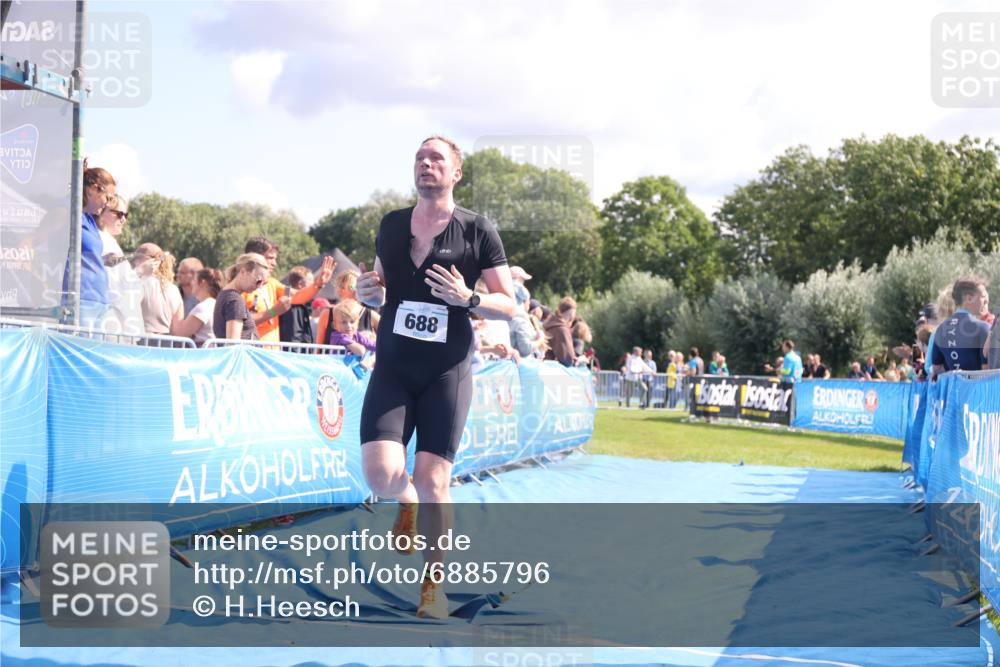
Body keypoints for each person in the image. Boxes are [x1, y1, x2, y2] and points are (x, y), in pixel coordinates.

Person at [354, 136, 516, 619]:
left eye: (436, 159)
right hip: (394, 365)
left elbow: (509, 302)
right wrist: (366, 292)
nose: (426, 165)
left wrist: (467, 298)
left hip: (447, 368)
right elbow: (379, 290)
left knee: (433, 480)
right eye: (420, 159)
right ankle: (402, 502)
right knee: (381, 476)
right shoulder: (391, 224)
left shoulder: (477, 230)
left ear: (456, 173)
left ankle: (433, 589)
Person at [242, 237, 334, 343]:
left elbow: (298, 296)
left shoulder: (272, 283)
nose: (274, 263)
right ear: (254, 258)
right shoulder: (240, 287)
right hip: (251, 354)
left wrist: (318, 284)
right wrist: (273, 312)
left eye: (275, 259)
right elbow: (240, 322)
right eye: (270, 258)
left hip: (271, 355)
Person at [70, 165, 115, 327]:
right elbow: (31, 242)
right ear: (93, 189)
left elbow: (84, 255)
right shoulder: (69, 214)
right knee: (77, 350)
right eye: (108, 198)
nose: (109, 204)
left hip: (98, 299)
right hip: (80, 298)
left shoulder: (89, 219)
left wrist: (102, 261)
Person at [97, 195, 144, 336]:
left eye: (125, 215)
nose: (123, 219)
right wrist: (141, 271)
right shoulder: (102, 240)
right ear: (102, 212)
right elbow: (115, 284)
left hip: (116, 322)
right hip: (110, 321)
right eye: (118, 214)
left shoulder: (110, 241)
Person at [930, 278, 990, 377]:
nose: (986, 301)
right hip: (977, 390)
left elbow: (936, 369)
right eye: (983, 297)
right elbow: (987, 371)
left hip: (954, 391)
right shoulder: (984, 328)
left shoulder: (940, 329)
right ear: (969, 299)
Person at [214, 253, 270, 340]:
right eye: (259, 281)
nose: (259, 286)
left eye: (263, 283)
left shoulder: (226, 294)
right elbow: (233, 342)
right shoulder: (234, 300)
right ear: (243, 272)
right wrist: (274, 311)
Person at [132, 243, 183, 336]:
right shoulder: (174, 289)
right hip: (165, 344)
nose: (134, 262)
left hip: (140, 341)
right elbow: (177, 330)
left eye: (136, 258)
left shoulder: (140, 283)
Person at [172, 268, 223, 346]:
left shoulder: (203, 308)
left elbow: (181, 334)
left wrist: (177, 305)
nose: (192, 283)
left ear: (202, 283)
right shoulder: (215, 304)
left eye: (194, 280)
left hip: (202, 354)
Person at [279, 266, 316, 346]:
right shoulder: (294, 307)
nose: (313, 284)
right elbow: (294, 335)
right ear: (300, 284)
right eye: (310, 281)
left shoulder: (298, 305)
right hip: (295, 353)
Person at [544, 297, 582, 367]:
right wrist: (580, 360)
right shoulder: (562, 329)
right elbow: (567, 359)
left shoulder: (549, 325)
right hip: (557, 372)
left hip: (547, 368)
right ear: (572, 314)